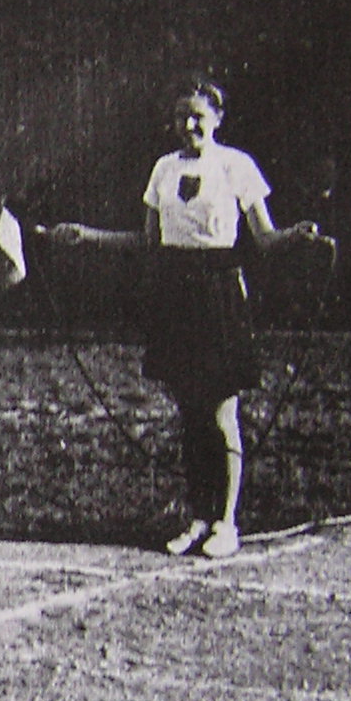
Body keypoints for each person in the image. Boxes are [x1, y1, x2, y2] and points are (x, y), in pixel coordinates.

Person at [47, 80, 321, 558]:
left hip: (219, 291)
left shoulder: (236, 165)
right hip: (174, 293)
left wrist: (297, 235)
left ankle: (227, 522)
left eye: (198, 115)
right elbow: (149, 241)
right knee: (190, 414)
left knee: (221, 412)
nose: (188, 124)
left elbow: (265, 237)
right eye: (180, 116)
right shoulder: (163, 168)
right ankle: (198, 516)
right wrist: (86, 236)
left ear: (218, 118)